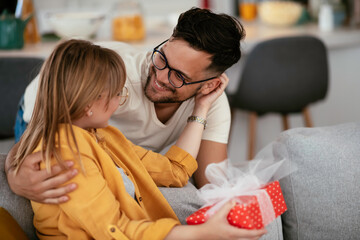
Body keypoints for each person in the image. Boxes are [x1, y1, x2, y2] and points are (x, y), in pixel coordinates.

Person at [9, 39, 266, 240]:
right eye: (117, 93)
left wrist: (200, 108)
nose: (120, 101)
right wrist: (201, 234)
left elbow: (175, 172)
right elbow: (112, 230)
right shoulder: (67, 150)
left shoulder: (104, 137)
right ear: (90, 104)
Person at [6, 8, 244, 204]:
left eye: (178, 76)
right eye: (162, 58)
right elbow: (42, 134)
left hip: (112, 150)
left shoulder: (210, 102)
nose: (161, 77)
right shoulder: (115, 76)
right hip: (42, 108)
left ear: (208, 85)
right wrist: (13, 171)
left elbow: (212, 185)